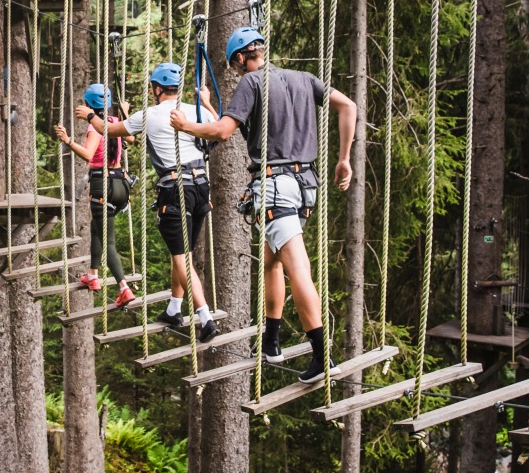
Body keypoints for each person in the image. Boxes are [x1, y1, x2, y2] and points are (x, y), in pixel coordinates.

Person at [171, 27, 357, 382]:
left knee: (297, 268)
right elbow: (348, 105)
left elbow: (224, 132)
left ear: (241, 58)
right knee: (272, 260)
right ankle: (271, 341)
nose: (237, 71)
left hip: (276, 187)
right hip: (305, 187)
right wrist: (344, 158)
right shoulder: (303, 79)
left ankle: (322, 357)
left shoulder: (252, 82)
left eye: (235, 65)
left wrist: (187, 126)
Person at [78, 62, 221, 341]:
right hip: (200, 187)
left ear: (156, 89)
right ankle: (174, 308)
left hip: (175, 188)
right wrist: (206, 102)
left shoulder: (150, 115)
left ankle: (205, 318)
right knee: (182, 253)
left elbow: (108, 129)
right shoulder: (195, 111)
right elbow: (220, 128)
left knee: (182, 258)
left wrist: (90, 115)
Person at [54, 84, 131, 299]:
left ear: (88, 104)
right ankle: (93, 275)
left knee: (109, 241)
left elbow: (88, 154)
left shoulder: (94, 128)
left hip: (102, 185)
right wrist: (125, 113)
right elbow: (132, 138)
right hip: (120, 185)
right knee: (97, 229)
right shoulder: (115, 122)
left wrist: (68, 141)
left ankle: (124, 287)